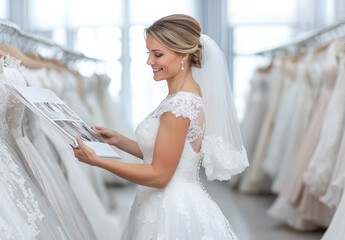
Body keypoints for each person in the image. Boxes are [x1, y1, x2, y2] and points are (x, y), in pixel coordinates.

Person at [72, 14, 249, 239]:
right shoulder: (184, 95)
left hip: (169, 207)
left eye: (158, 55)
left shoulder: (179, 105)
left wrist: (99, 162)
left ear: (183, 54)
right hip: (168, 199)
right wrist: (121, 142)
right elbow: (172, 153)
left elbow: (160, 175)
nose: (149, 62)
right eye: (149, 53)